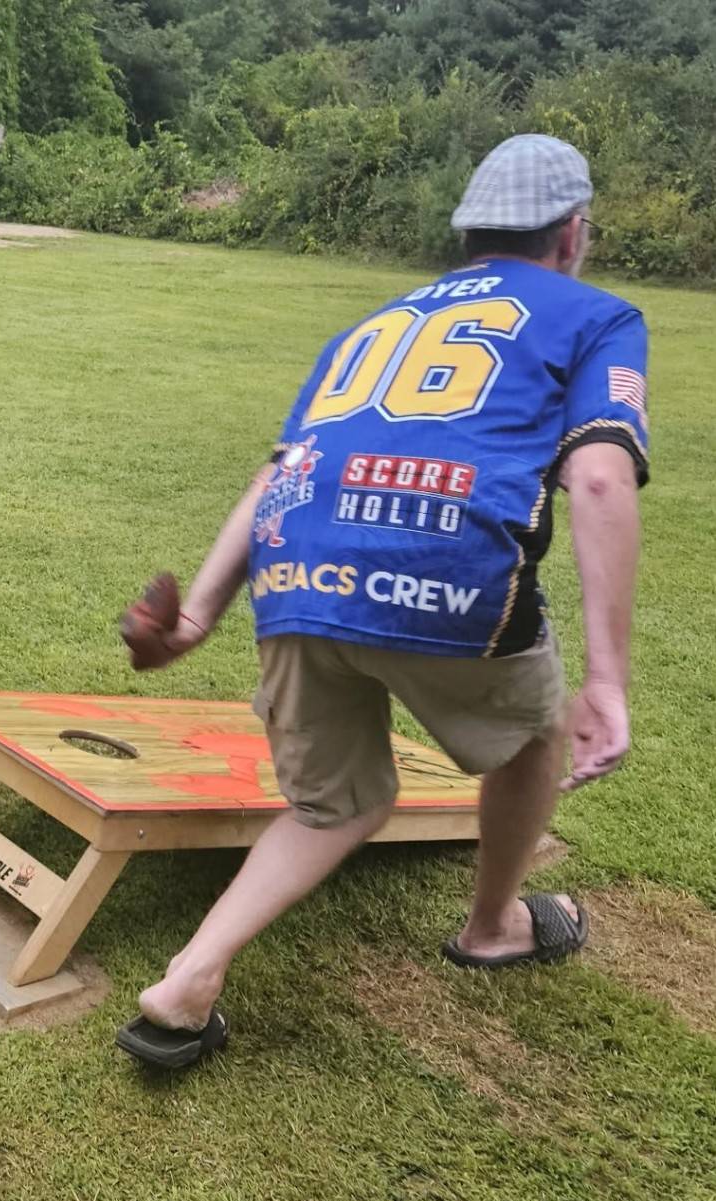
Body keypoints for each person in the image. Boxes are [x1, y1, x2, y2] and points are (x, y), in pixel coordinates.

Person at [115, 134, 649, 1070]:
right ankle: (492, 928)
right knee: (531, 737)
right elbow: (599, 479)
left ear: (467, 233)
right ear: (571, 234)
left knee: (331, 806)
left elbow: (281, 470)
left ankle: (188, 979)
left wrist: (196, 615)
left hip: (295, 574)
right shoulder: (597, 314)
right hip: (448, 572)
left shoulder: (375, 323)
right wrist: (606, 680)